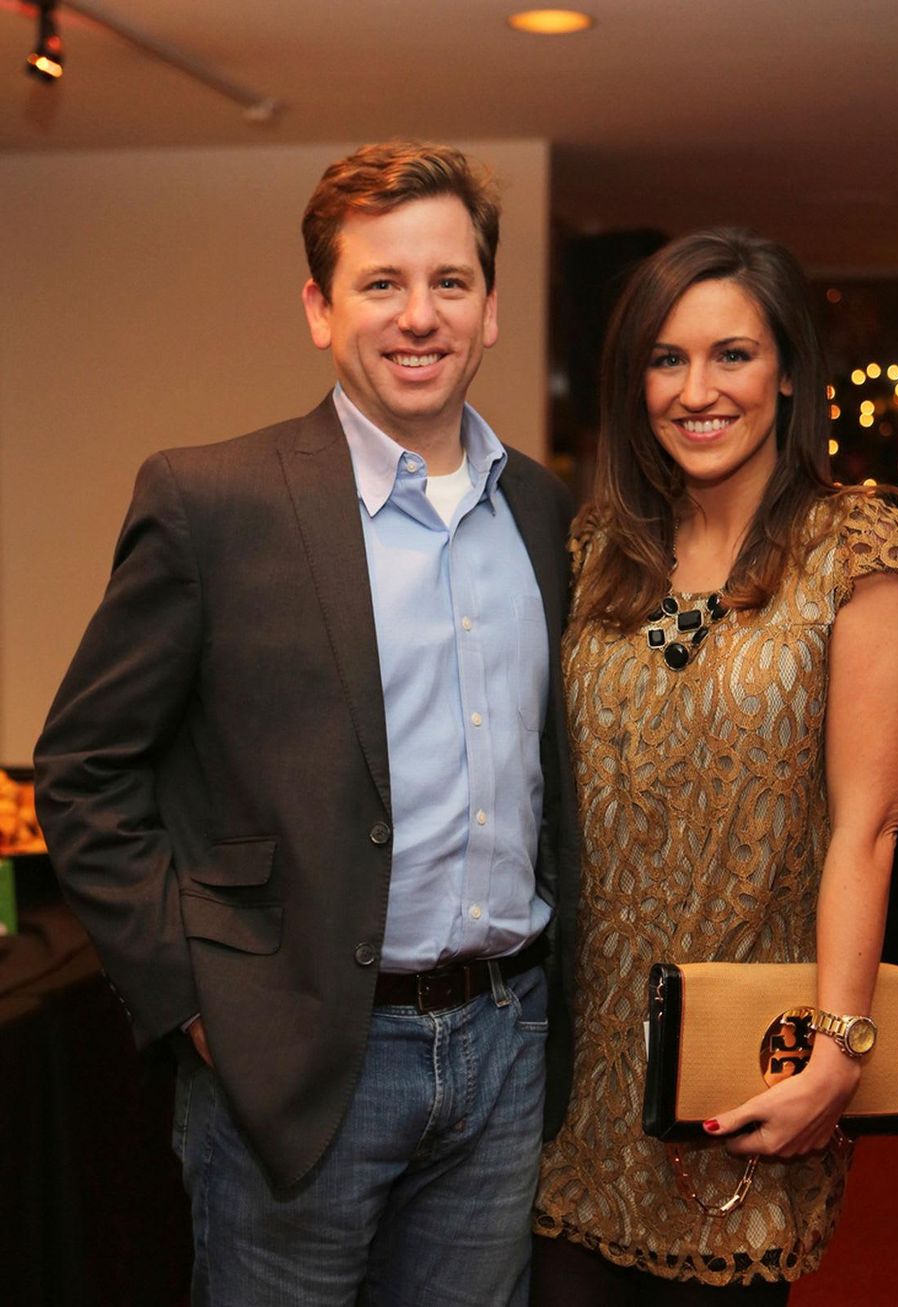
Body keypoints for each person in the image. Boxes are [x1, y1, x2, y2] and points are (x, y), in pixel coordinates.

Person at [34, 140, 579, 1307]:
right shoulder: (212, 502)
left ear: (489, 308)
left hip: (504, 1040)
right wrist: (197, 1001)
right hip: (300, 1060)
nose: (417, 315)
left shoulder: (540, 509)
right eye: (379, 283)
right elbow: (84, 770)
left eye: (448, 282)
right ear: (318, 310)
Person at [532, 228, 898, 1303]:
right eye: (665, 359)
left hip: (743, 1069)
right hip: (571, 1077)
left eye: (731, 354)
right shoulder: (595, 550)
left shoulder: (854, 544)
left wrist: (836, 1049)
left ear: (788, 370)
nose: (695, 389)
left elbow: (869, 821)